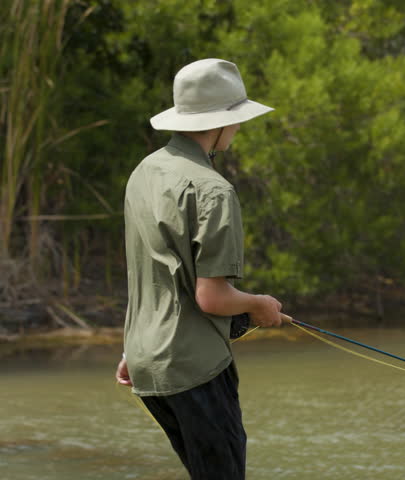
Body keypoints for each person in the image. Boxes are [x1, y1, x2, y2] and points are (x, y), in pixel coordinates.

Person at [114, 58, 282, 479]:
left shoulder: (143, 172)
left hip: (144, 359)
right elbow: (212, 297)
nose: (239, 128)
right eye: (237, 118)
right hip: (193, 369)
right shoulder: (213, 190)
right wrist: (261, 305)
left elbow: (149, 276)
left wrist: (135, 349)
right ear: (222, 123)